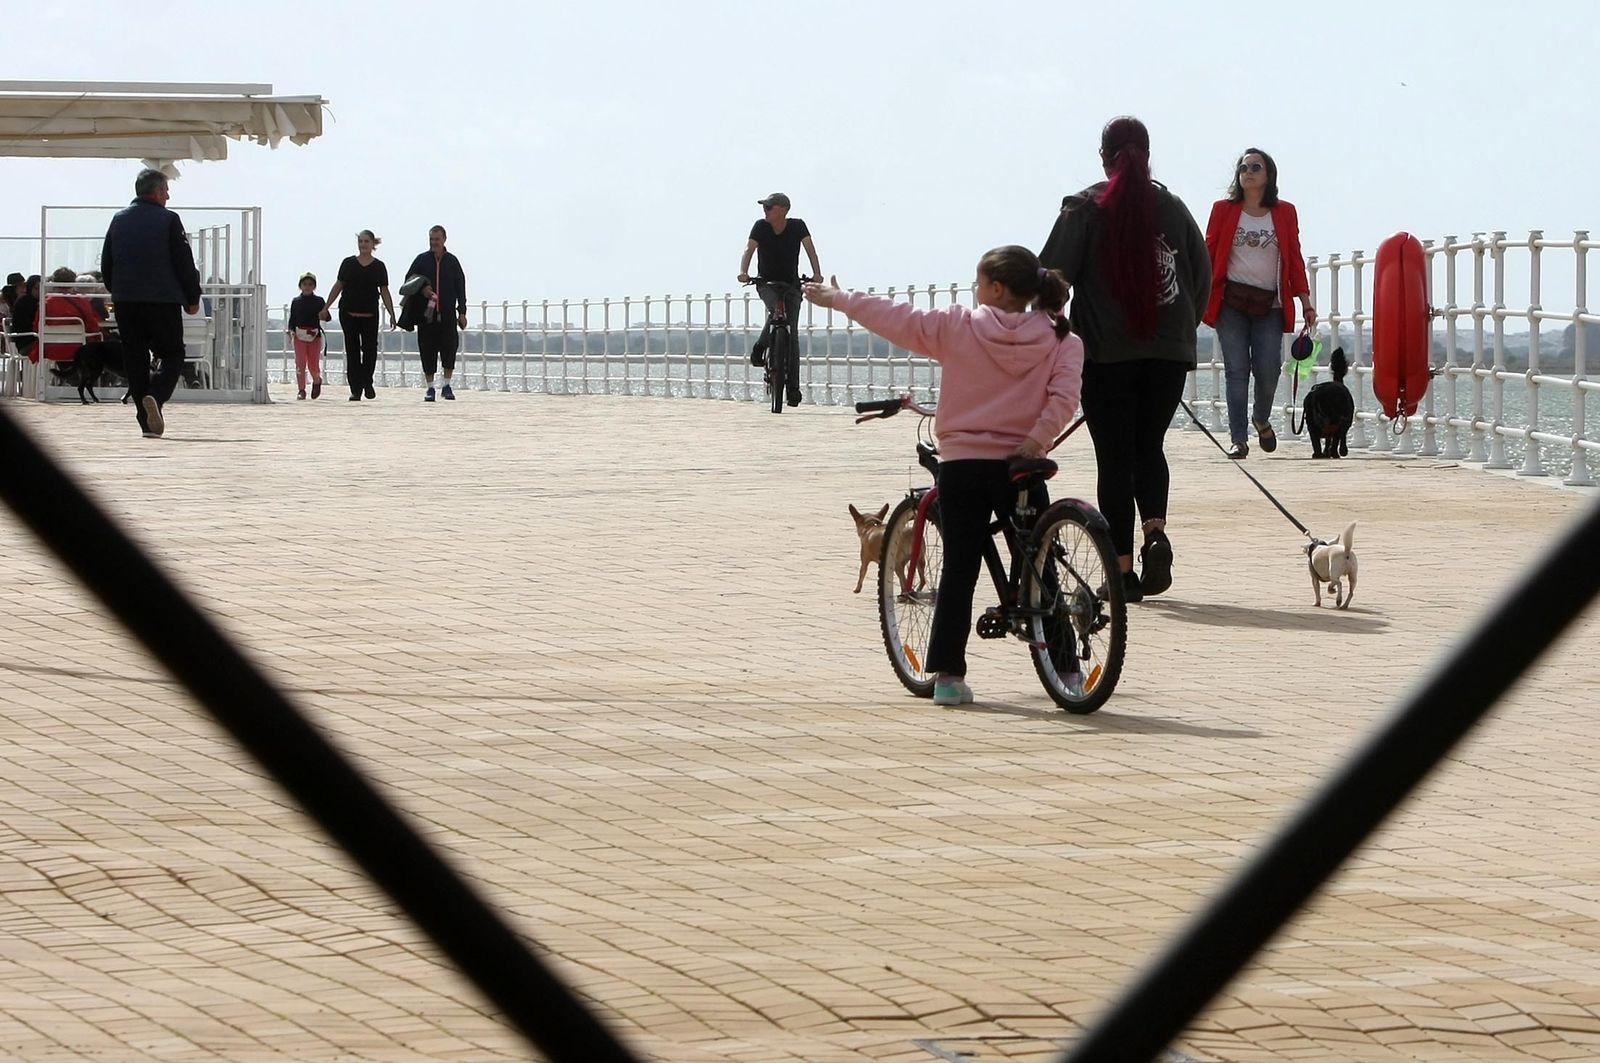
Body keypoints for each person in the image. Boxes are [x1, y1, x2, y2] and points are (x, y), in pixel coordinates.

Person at [804, 245, 1082, 706]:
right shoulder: (1063, 339)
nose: (975, 291)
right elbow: (1064, 398)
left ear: (996, 288)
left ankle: (949, 678)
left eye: (979, 283)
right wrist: (1035, 441)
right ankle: (1068, 671)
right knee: (1040, 564)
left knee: (959, 569)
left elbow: (898, 318)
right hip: (1022, 465)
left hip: (963, 465)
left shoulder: (960, 326)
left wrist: (841, 299)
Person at [1040, 116, 1210, 602]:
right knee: (1149, 446)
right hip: (1168, 353)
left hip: (1106, 354)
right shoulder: (1173, 207)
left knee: (1114, 458)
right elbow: (1201, 276)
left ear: (1103, 158)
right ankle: (1155, 533)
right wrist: (1179, 332)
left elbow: (1051, 280)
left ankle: (1121, 572)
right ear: (1148, 155)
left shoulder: (1084, 208)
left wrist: (1050, 333)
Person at [1203, 147, 1316, 459]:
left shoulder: (1284, 212)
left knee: (1268, 369)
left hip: (1270, 304)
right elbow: (1208, 254)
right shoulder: (1223, 210)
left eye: (1255, 167)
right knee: (1236, 370)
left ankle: (1261, 418)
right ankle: (1238, 438)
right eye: (1243, 168)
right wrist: (1197, 295)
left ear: (1269, 175)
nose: (1248, 172)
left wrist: (1306, 302)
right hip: (1231, 302)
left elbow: (1294, 258)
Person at [100, 168, 202, 439]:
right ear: (157, 192)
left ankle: (146, 422)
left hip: (126, 301)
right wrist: (192, 298)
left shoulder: (118, 220)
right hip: (162, 301)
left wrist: (118, 291)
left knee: (135, 358)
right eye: (166, 190)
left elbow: (106, 263)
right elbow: (183, 261)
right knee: (173, 354)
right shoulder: (169, 220)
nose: (168, 196)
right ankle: (155, 395)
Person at [737, 192, 822, 406]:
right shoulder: (760, 227)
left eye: (769, 207)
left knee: (792, 333)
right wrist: (743, 272)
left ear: (782, 210)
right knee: (775, 308)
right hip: (766, 283)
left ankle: (793, 388)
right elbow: (749, 249)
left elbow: (811, 250)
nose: (764, 211)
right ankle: (761, 346)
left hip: (791, 284)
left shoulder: (797, 226)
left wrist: (817, 273)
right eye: (764, 207)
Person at [321, 229, 395, 401]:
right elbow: (338, 285)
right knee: (352, 351)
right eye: (360, 241)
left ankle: (367, 382)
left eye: (366, 241)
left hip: (370, 314)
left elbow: (384, 290)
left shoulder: (379, 266)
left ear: (373, 244)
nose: (363, 245)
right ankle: (356, 389)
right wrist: (326, 307)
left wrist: (392, 313)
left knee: (370, 350)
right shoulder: (348, 263)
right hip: (349, 313)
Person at [404, 225, 467, 401]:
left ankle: (447, 385)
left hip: (447, 313)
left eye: (437, 239)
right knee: (427, 350)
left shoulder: (452, 261)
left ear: (444, 239)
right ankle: (430, 388)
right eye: (431, 239)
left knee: (449, 348)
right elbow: (408, 280)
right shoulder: (421, 260)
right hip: (427, 314)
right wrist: (423, 289)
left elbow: (460, 287)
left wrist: (462, 312)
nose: (434, 243)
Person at [286, 271, 326, 400]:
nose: (307, 287)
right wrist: (291, 330)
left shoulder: (319, 301)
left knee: (313, 365)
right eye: (305, 284)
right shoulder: (296, 301)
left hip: (314, 335)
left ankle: (317, 380)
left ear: (314, 286)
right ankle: (301, 390)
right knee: (300, 363)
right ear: (300, 286)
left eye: (310, 284)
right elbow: (292, 319)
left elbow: (327, 317)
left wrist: (324, 314)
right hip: (299, 335)